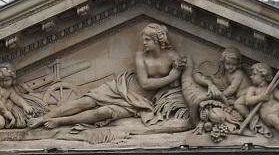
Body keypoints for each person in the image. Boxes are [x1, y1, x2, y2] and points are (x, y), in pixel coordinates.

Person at [29, 23, 190, 131]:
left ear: (157, 41)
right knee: (85, 101)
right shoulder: (140, 56)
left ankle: (60, 122)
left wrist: (177, 73)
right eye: (144, 39)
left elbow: (183, 79)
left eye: (148, 40)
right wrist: (172, 76)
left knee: (103, 112)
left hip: (138, 103)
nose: (144, 43)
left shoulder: (172, 56)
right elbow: (145, 83)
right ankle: (43, 118)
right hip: (121, 87)